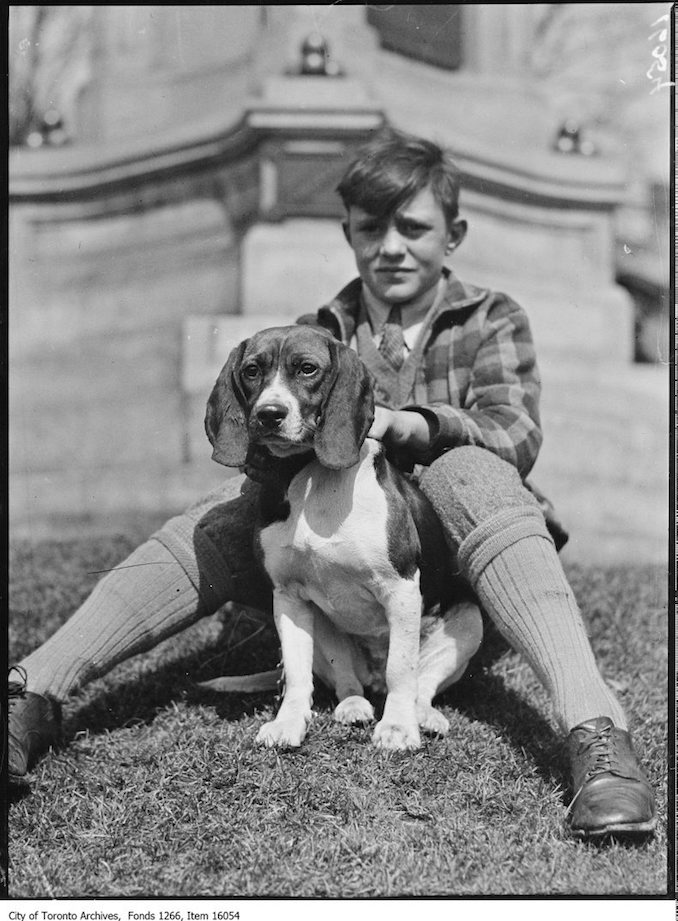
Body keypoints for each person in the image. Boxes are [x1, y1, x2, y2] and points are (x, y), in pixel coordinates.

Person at [9, 128, 656, 841]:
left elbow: (516, 434)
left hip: (454, 550)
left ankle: (599, 738)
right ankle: (29, 692)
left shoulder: (489, 317)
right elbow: (272, 448)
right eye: (372, 228)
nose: (392, 247)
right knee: (223, 513)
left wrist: (421, 426)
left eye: (414, 228)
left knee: (472, 469)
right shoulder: (320, 330)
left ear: (454, 234)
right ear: (348, 232)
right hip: (340, 545)